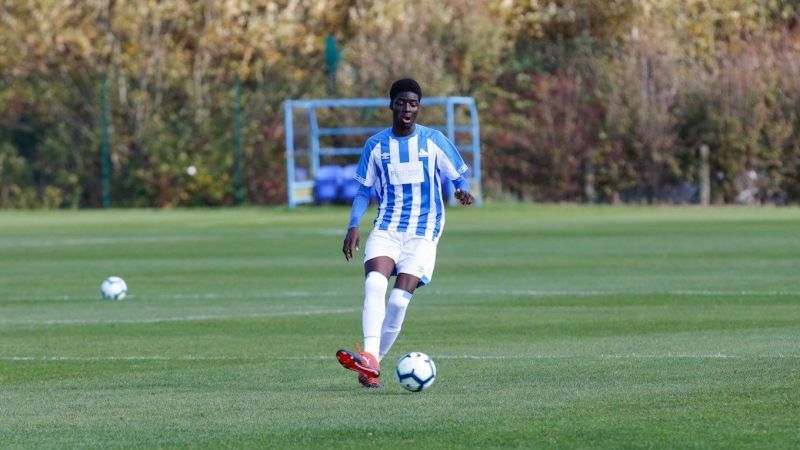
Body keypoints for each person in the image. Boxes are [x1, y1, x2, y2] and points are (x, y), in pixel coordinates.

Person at [336, 78, 475, 388]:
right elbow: (363, 191)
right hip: (386, 227)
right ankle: (369, 357)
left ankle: (373, 363)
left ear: (418, 107)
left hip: (424, 232)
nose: (407, 108)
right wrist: (353, 224)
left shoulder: (434, 141)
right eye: (401, 102)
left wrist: (463, 191)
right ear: (392, 105)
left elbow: (459, 179)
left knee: (398, 301)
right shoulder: (375, 145)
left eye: (413, 103)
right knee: (374, 283)